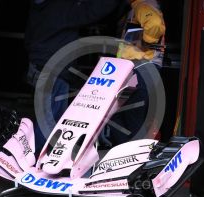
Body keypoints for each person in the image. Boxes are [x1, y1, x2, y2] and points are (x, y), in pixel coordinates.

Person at [24, 0, 130, 153]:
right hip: (53, 70)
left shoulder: (40, 6)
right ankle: (35, 161)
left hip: (39, 65)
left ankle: (38, 158)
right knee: (49, 123)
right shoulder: (60, 6)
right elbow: (92, 11)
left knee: (48, 118)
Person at [109, 0, 166, 145]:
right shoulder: (139, 7)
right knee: (122, 117)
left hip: (139, 69)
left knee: (130, 118)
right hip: (140, 69)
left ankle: (129, 158)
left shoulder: (142, 5)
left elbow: (154, 23)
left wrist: (147, 41)